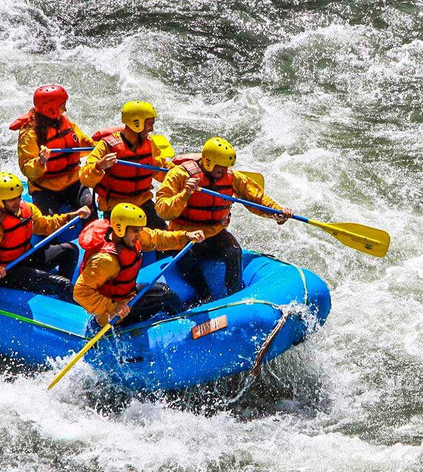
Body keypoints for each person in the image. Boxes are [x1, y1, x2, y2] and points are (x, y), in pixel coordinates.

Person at [155, 137, 293, 301]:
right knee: (187, 261)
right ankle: (203, 295)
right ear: (207, 162)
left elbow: (256, 198)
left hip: (213, 232)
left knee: (233, 251)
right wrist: (185, 194)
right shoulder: (179, 175)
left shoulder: (232, 177)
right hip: (183, 232)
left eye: (226, 166)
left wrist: (276, 211)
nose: (224, 170)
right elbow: (162, 210)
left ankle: (235, 295)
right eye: (220, 167)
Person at [0, 171, 91, 301]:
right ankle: (65, 296)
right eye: (11, 200)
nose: (17, 202)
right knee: (63, 284)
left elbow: (44, 224)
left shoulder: (25, 209)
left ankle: (59, 297)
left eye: (18, 196)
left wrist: (71, 216)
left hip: (23, 257)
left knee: (70, 250)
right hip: (6, 271)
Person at [74, 203, 204, 328]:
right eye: (136, 231)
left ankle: (175, 320)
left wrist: (185, 236)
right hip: (112, 315)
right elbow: (80, 292)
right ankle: (186, 327)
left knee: (162, 288)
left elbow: (156, 238)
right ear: (120, 228)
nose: (139, 235)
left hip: (125, 296)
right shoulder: (106, 261)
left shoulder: (128, 236)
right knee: (168, 298)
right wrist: (113, 308)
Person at [79, 101, 172, 229]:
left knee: (164, 235)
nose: (152, 129)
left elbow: (161, 169)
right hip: (116, 206)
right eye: (150, 124)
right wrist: (99, 166)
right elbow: (85, 178)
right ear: (137, 123)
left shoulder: (150, 144)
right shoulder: (106, 146)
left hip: (142, 203)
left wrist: (181, 175)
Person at [9, 84, 97, 220]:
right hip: (45, 188)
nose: (65, 109)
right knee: (47, 220)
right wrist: (41, 161)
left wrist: (100, 148)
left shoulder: (64, 122)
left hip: (73, 181)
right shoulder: (30, 133)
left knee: (90, 206)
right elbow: (27, 168)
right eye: (62, 105)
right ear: (52, 109)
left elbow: (84, 143)